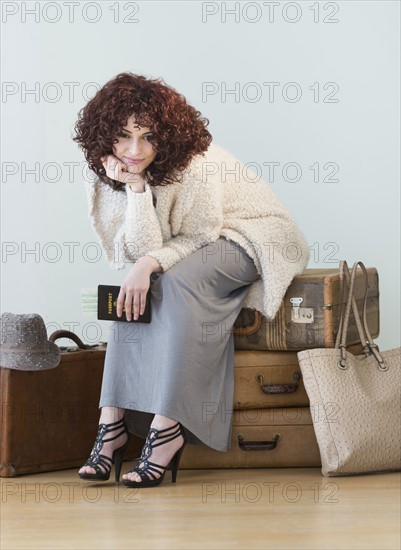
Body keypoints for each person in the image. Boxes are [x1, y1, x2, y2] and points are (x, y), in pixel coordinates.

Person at [72, 72, 310, 488]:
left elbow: (200, 235)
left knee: (174, 285)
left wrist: (147, 265)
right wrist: (138, 191)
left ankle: (167, 431)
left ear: (167, 134)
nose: (134, 150)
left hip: (250, 234)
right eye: (124, 136)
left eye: (148, 136)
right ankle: (111, 425)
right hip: (195, 242)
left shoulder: (192, 162)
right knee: (128, 295)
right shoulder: (112, 174)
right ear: (104, 134)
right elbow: (141, 247)